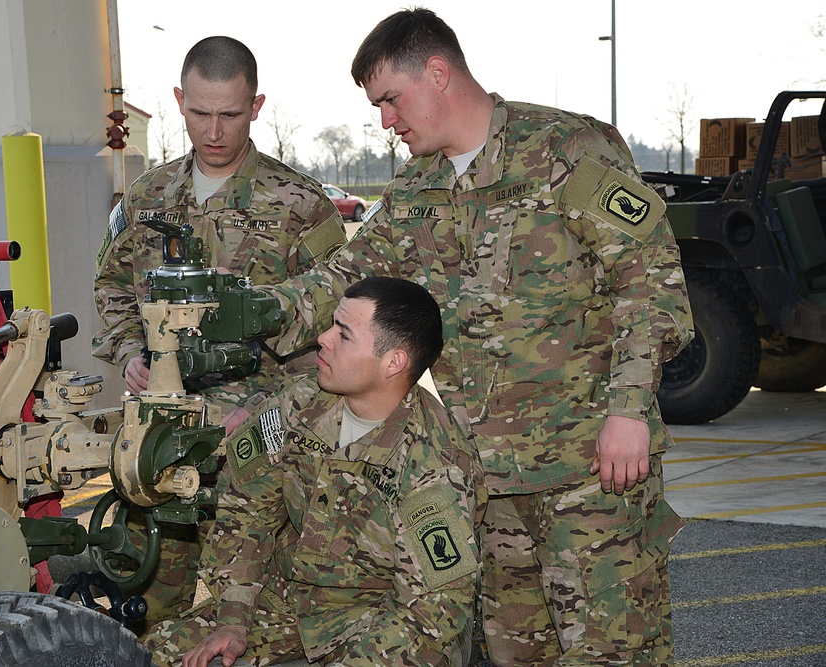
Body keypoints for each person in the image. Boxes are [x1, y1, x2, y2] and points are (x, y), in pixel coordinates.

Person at [255, 9, 694, 667]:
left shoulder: (566, 150)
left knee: (615, 652)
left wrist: (628, 410)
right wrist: (245, 313)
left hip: (590, 470)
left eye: (391, 100)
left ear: (438, 74)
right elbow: (343, 279)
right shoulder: (418, 189)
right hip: (489, 484)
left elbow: (650, 282)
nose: (385, 120)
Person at [91, 36, 347, 624]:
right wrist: (132, 348)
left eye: (230, 114)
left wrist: (273, 409)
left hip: (261, 446)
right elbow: (111, 286)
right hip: (160, 443)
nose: (213, 130)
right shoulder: (148, 195)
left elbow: (337, 326)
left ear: (256, 107)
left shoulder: (300, 205)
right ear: (179, 100)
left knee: (261, 614)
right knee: (146, 604)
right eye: (199, 113)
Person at [146, 276, 485, 667]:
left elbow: (434, 610)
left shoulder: (435, 467)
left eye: (343, 334)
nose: (323, 339)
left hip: (386, 623)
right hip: (289, 600)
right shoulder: (299, 403)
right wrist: (233, 621)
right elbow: (246, 512)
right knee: (161, 654)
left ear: (393, 362)